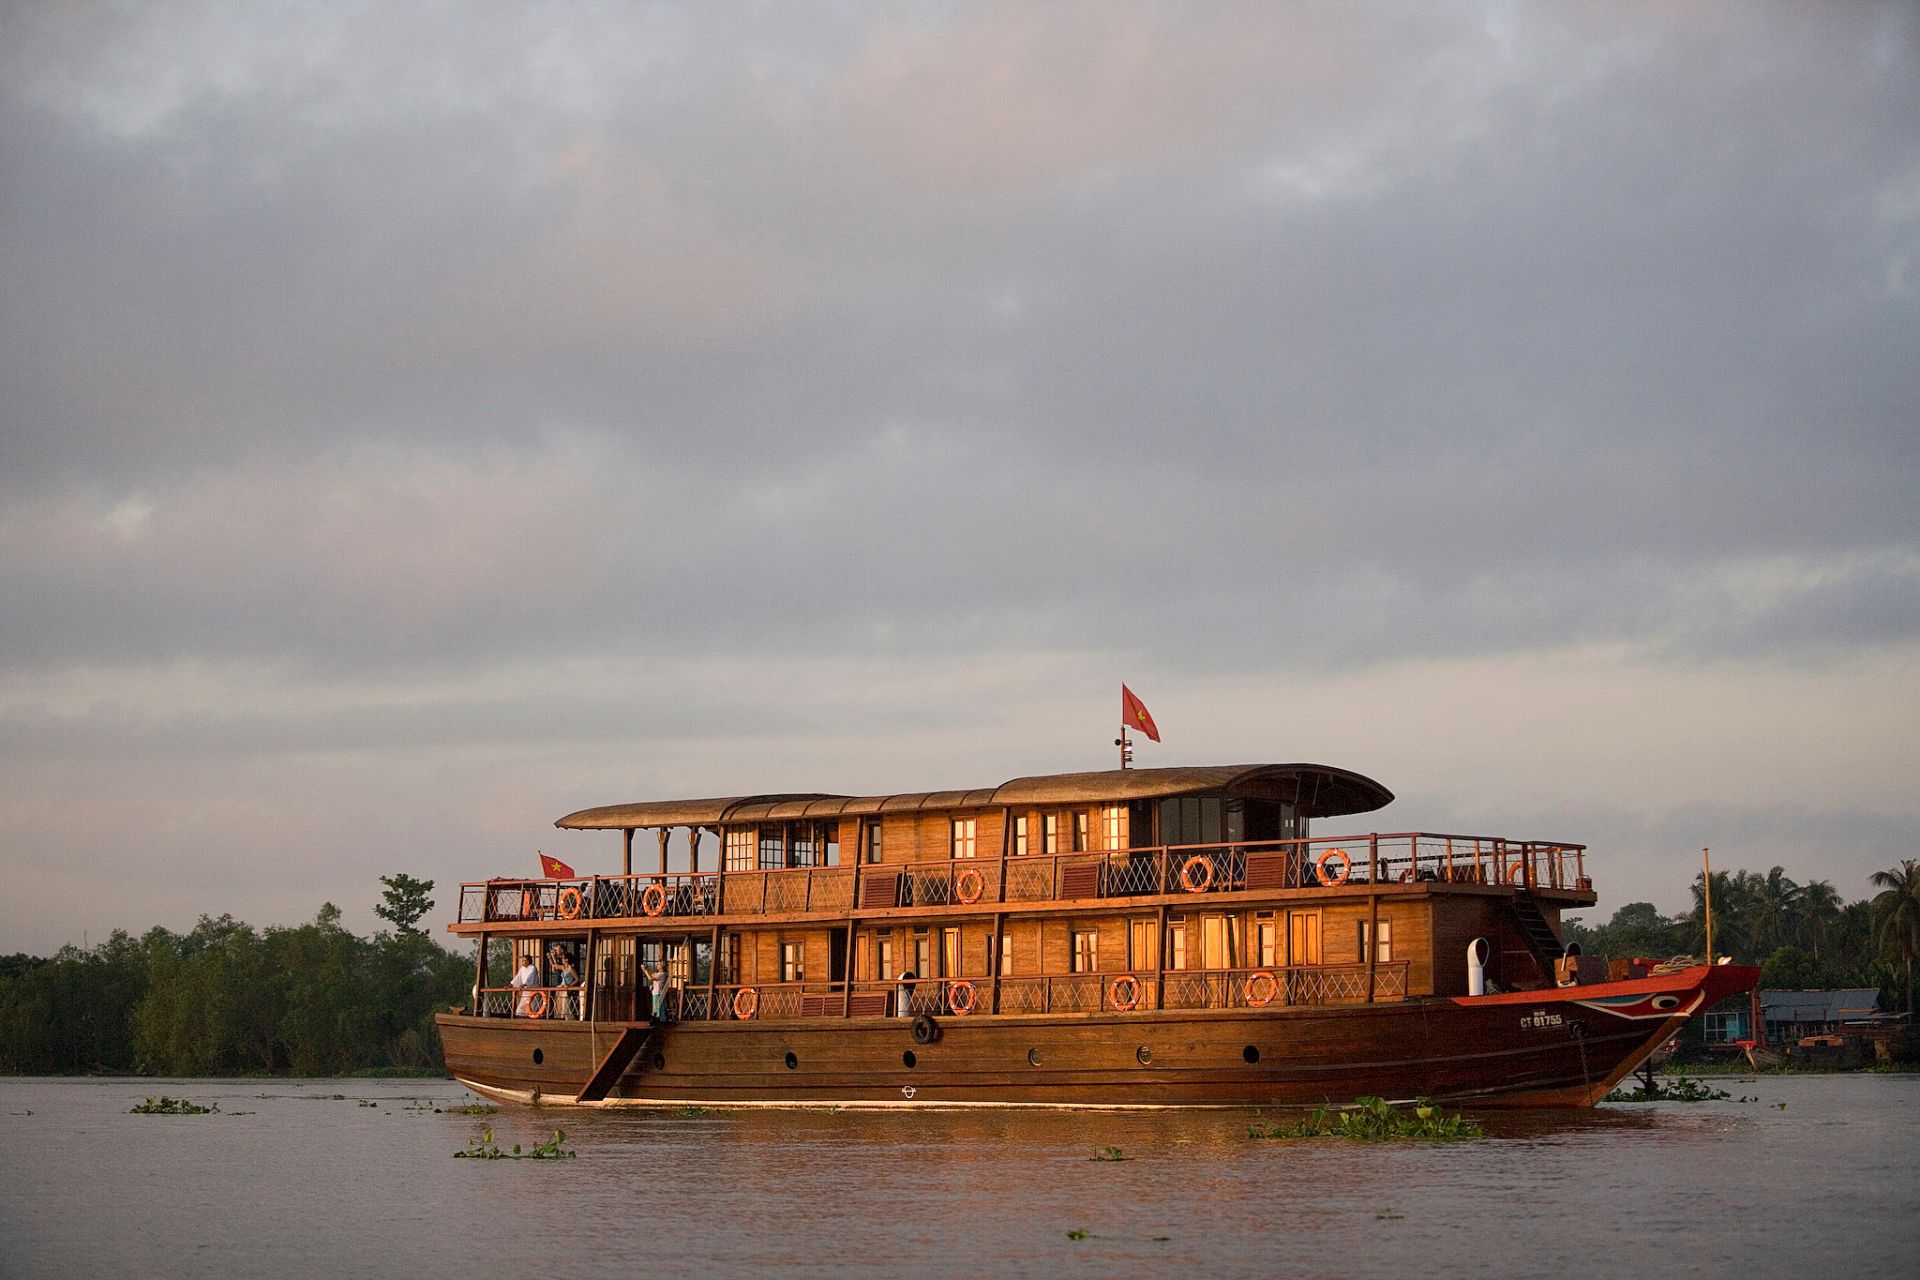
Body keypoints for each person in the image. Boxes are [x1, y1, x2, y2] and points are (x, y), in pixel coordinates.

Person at [509, 949, 541, 1017]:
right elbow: (518, 977)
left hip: (533, 991)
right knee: (521, 1009)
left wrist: (524, 984)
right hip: (525, 991)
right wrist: (511, 984)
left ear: (528, 961)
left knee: (531, 1008)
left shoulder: (532, 968)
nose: (522, 961)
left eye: (523, 960)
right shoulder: (522, 968)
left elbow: (530, 977)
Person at [553, 948, 581, 1019]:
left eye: (563, 958)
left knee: (566, 1004)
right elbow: (555, 965)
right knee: (560, 1004)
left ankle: (569, 1018)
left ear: (567, 959)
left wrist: (569, 986)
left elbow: (577, 979)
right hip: (561, 987)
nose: (562, 960)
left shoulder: (571, 969)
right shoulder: (563, 967)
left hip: (566, 987)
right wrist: (552, 957)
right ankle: (561, 1018)